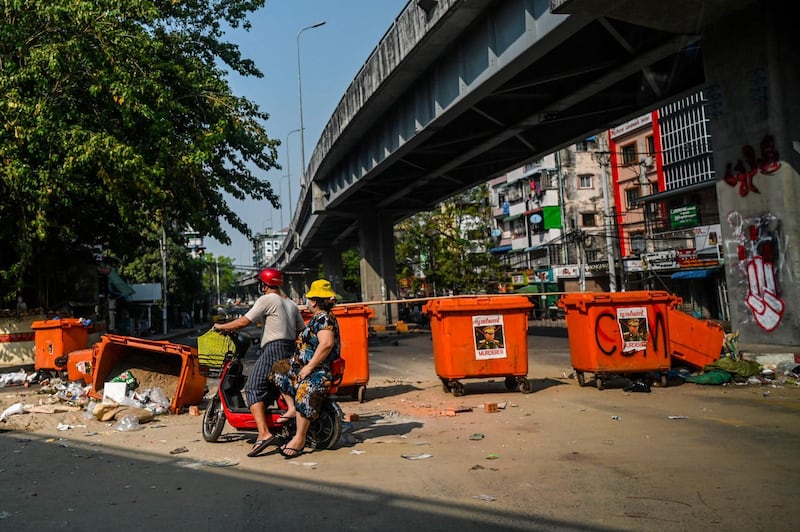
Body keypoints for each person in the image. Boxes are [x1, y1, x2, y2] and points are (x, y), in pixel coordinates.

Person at [213, 268, 304, 457]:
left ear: (264, 285)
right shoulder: (291, 304)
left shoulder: (266, 299)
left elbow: (244, 322)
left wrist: (221, 326)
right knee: (279, 382)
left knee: (254, 387)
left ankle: (264, 434)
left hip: (274, 348)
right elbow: (300, 330)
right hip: (289, 347)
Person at [271, 279, 341, 459]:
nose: (307, 302)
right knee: (279, 369)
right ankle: (292, 408)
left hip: (318, 371)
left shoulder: (325, 319)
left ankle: (299, 439)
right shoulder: (317, 318)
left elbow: (326, 344)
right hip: (302, 367)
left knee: (305, 390)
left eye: (309, 299)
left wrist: (309, 367)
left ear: (314, 301)